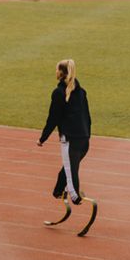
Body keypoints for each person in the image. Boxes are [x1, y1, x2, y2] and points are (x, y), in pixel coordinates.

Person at [38, 58, 91, 205]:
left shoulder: (58, 93)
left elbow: (53, 118)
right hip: (84, 139)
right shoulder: (81, 92)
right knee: (70, 167)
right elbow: (87, 116)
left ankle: (74, 196)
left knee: (70, 170)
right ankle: (59, 190)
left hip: (70, 139)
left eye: (57, 69)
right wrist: (87, 135)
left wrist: (42, 138)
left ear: (61, 73)